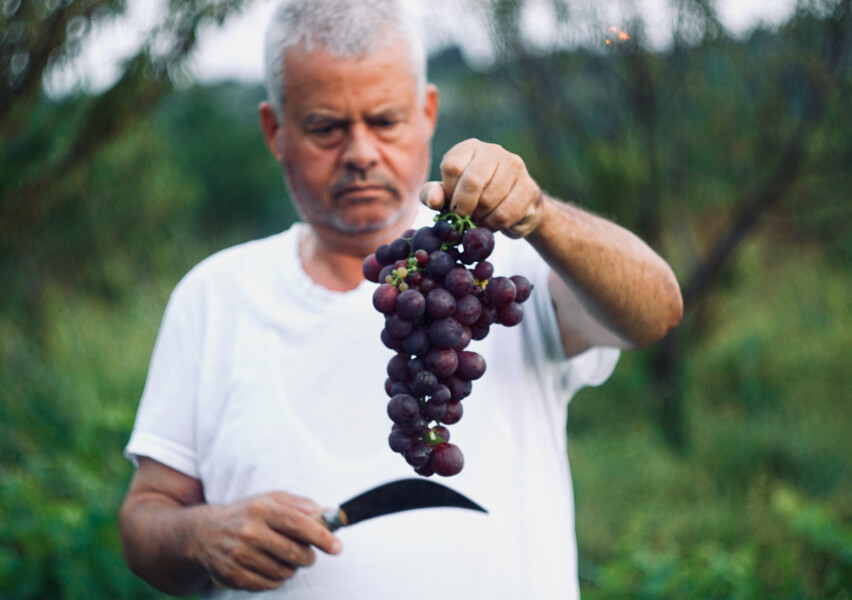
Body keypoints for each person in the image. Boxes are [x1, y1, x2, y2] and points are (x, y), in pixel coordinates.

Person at [118, 0, 683, 598]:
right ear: (274, 131)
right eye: (326, 127)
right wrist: (199, 535)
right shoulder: (215, 296)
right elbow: (144, 522)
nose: (360, 152)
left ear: (427, 112)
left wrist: (542, 216)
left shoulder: (499, 271)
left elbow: (657, 309)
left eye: (384, 120)